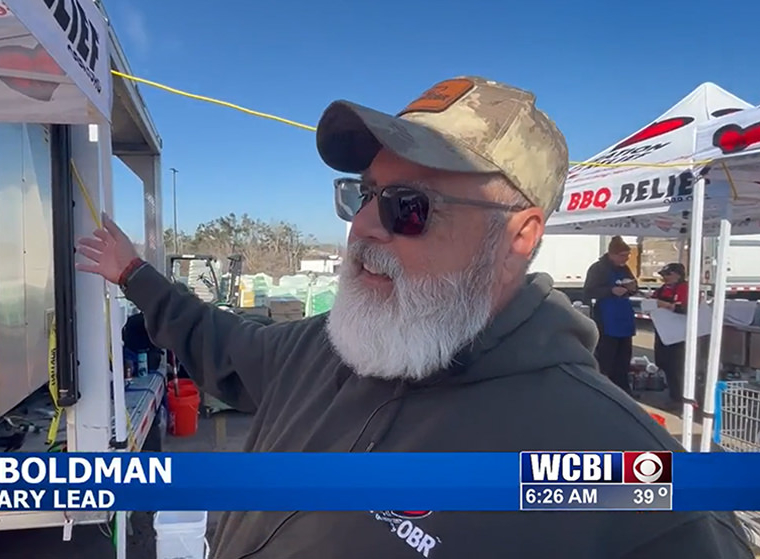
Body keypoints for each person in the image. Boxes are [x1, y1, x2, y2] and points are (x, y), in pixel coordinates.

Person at [77, 76, 752, 558]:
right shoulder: (321, 348)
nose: (363, 229)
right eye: (363, 195)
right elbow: (219, 342)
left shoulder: (627, 477)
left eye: (409, 205)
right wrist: (135, 275)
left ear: (518, 234)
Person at [584, 236, 639, 393]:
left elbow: (634, 286)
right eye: (622, 255)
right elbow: (588, 291)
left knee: (624, 357)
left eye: (627, 255)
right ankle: (604, 389)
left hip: (624, 318)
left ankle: (623, 388)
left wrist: (632, 287)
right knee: (606, 357)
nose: (626, 259)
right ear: (612, 254)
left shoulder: (624, 269)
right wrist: (610, 290)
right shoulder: (598, 269)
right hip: (606, 320)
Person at [651, 262, 690, 410]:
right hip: (663, 331)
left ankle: (679, 397)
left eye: (667, 275)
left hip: (678, 334)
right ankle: (673, 393)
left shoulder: (684, 288)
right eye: (663, 276)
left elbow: (682, 308)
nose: (664, 278)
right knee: (663, 362)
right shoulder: (663, 289)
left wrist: (664, 305)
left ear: (677, 275)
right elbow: (653, 300)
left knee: (676, 366)